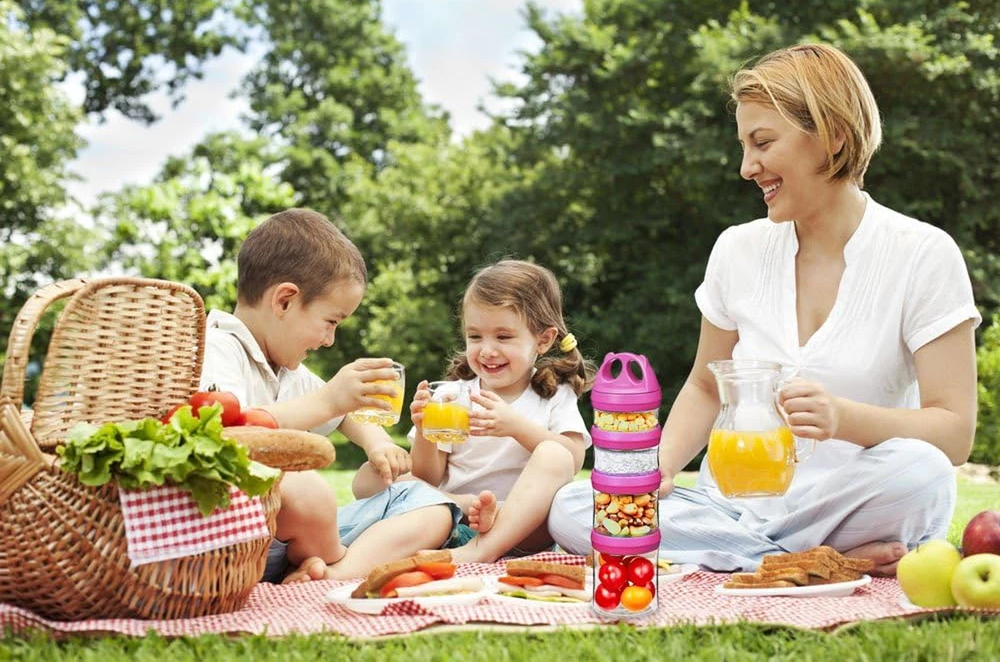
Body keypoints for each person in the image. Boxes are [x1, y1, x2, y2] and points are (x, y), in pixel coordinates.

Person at [548, 43, 981, 576]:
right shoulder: (738, 249)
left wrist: (843, 418)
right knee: (573, 507)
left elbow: (954, 433)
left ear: (833, 136)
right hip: (730, 505)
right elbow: (705, 386)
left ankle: (746, 553)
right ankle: (798, 560)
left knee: (923, 472)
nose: (746, 167)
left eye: (762, 143)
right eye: (743, 146)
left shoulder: (922, 254)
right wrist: (658, 469)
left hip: (855, 500)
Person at [201, 208, 461, 582]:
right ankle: (332, 561)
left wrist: (377, 443)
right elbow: (229, 431)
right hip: (237, 539)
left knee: (433, 506)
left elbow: (345, 414)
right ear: (284, 301)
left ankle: (330, 571)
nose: (329, 340)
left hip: (295, 539)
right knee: (306, 489)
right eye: (331, 322)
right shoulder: (216, 348)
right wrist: (328, 400)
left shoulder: (286, 369)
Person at [348, 259, 596, 563]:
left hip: (524, 530)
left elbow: (572, 460)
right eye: (475, 336)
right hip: (456, 522)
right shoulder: (451, 396)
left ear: (543, 340)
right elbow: (427, 477)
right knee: (369, 477)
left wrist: (515, 426)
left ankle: (483, 550)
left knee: (554, 454)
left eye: (503, 337)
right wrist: (425, 432)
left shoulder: (554, 394)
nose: (487, 350)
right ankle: (461, 509)